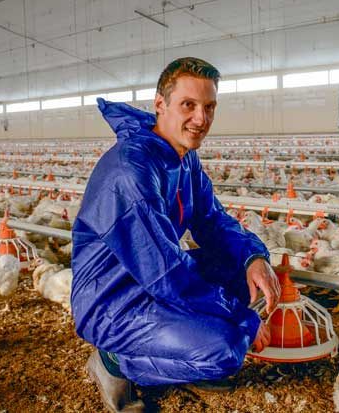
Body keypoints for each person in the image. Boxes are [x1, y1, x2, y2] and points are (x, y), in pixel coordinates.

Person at [71, 57, 281, 412]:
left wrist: (253, 257)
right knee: (226, 349)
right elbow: (167, 274)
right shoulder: (130, 172)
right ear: (160, 105)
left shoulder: (183, 158)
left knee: (241, 274)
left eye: (209, 107)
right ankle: (112, 361)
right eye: (189, 105)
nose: (201, 119)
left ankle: (183, 345)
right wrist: (240, 317)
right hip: (115, 300)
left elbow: (212, 219)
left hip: (152, 282)